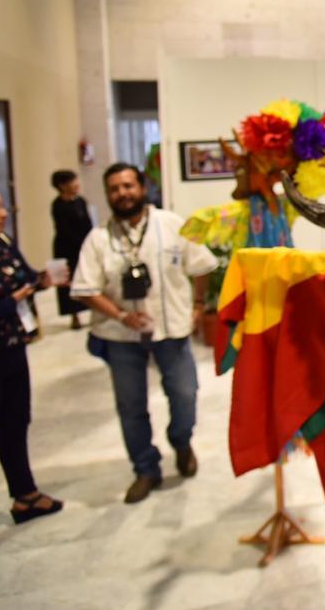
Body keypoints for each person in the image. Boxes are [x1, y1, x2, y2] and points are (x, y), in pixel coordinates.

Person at [71, 163, 217, 504]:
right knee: (131, 406)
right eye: (115, 189)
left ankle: (181, 441)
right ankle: (145, 468)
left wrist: (197, 304)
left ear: (142, 187)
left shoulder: (173, 224)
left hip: (172, 330)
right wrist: (121, 315)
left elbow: (201, 265)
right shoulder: (99, 238)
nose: (122, 194)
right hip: (121, 337)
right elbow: (84, 288)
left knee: (185, 394)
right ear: (108, 195)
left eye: (128, 186)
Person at [0, 183, 64, 557]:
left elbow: (21, 276)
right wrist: (10, 302)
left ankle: (25, 496)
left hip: (13, 352)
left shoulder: (3, 242)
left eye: (1, 206)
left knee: (16, 425)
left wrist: (39, 280)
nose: (2, 213)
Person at [50, 170, 92, 330]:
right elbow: (63, 229)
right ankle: (74, 315)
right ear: (62, 186)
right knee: (67, 281)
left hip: (83, 244)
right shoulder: (58, 205)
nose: (76, 185)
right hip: (65, 247)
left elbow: (88, 223)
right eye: (72, 182)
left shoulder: (81, 201)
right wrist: (78, 243)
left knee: (85, 277)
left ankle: (90, 307)